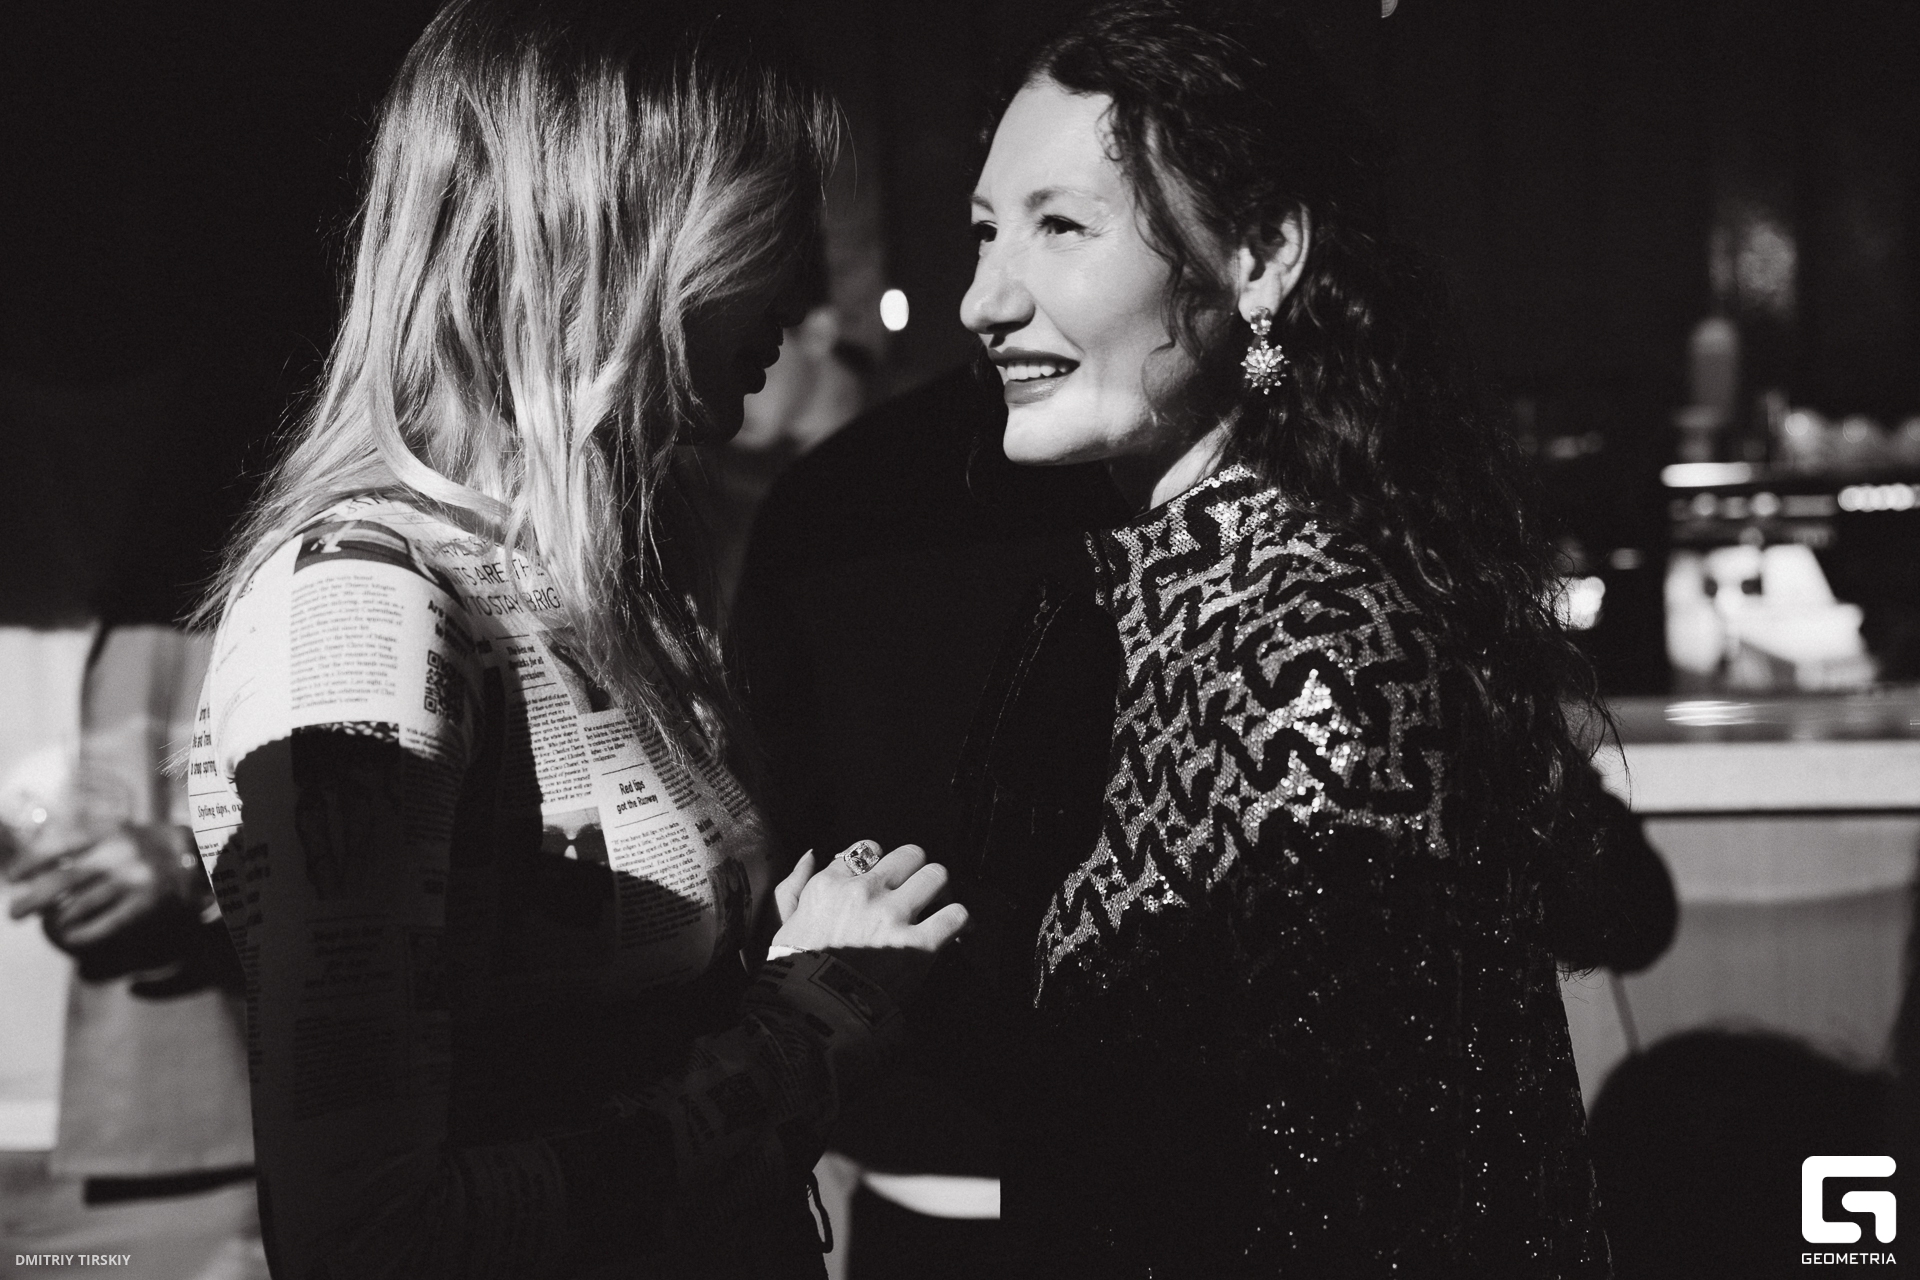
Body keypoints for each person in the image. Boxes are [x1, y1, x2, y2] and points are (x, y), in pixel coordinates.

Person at [185, 3, 966, 1278]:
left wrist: (787, 971)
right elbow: (365, 1240)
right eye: (768, 220)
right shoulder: (366, 602)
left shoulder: (612, 575)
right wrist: (801, 1028)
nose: (804, 286)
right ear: (621, 223)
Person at [959, 2, 1614, 1274]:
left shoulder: (1314, 658)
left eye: (1062, 226)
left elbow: (1368, 1219)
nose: (985, 297)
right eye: (985, 230)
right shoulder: (1154, 594)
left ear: (1259, 257)